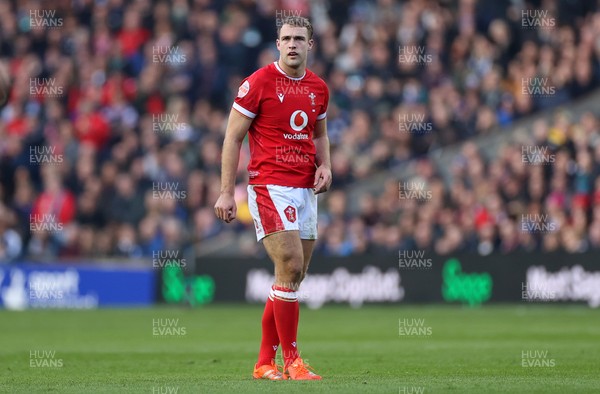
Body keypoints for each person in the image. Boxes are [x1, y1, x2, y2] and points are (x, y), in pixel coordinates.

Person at [214, 16, 331, 381]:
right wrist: (225, 192)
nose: (293, 44)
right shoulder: (258, 83)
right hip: (268, 185)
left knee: (291, 277)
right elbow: (232, 138)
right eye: (286, 38)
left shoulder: (319, 88)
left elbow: (320, 133)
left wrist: (326, 165)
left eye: (299, 38)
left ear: (310, 45)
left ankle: (264, 363)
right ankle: (292, 361)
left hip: (305, 189)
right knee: (291, 265)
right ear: (277, 44)